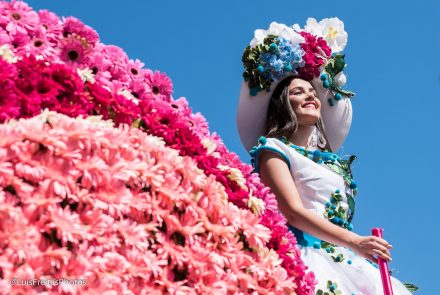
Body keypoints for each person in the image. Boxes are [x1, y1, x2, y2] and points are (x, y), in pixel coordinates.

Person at [237, 19, 415, 294]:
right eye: (298, 92)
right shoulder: (273, 150)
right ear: (283, 105)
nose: (310, 97)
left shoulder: (332, 164)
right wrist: (354, 241)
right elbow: (292, 211)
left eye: (312, 92)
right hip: (305, 257)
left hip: (346, 261)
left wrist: (355, 246)